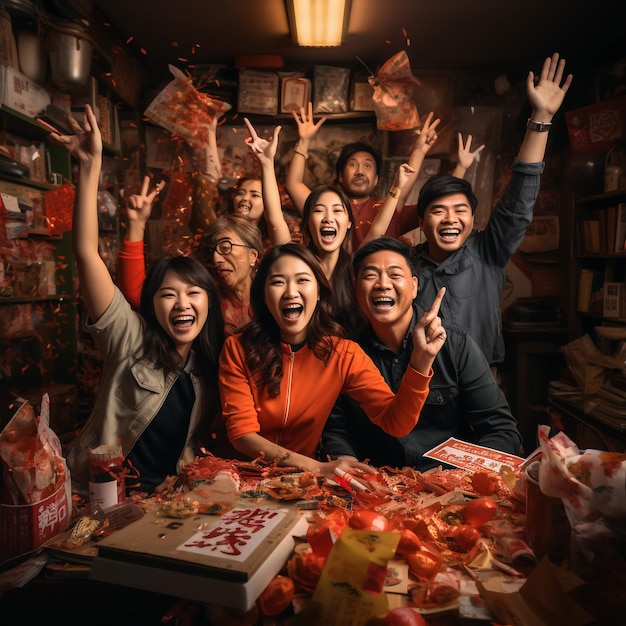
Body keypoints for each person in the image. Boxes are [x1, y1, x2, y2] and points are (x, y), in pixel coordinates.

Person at [50, 105, 225, 497]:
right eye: (168, 294)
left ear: (209, 303)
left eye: (193, 293)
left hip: (161, 503)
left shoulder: (208, 369)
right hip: (97, 499)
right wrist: (90, 167)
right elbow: (86, 253)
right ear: (152, 303)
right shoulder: (129, 338)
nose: (182, 303)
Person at [217, 243, 447, 476]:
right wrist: (318, 467)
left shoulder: (342, 354)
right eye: (278, 282)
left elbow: (396, 423)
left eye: (302, 280)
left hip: (299, 484)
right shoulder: (238, 348)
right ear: (264, 296)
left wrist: (421, 360)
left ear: (318, 292)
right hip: (239, 478)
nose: (290, 292)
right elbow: (242, 435)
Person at [411, 52, 573, 371]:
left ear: (473, 218)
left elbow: (518, 199)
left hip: (478, 390)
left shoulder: (488, 251)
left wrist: (540, 120)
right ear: (421, 221)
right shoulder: (406, 265)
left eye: (460, 210)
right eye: (438, 211)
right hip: (417, 390)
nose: (450, 219)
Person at [320, 237, 522, 468]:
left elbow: (501, 429)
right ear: (356, 290)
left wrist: (463, 478)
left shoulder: (454, 344)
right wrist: (346, 465)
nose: (383, 284)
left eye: (395, 275)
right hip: (377, 489)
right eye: (371, 275)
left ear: (414, 286)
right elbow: (336, 432)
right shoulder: (346, 355)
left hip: (450, 486)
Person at [244, 118, 428, 336]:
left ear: (348, 223)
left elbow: (377, 231)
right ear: (307, 221)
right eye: (319, 210)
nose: (328, 218)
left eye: (337, 211)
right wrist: (266, 164)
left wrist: (397, 186)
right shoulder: (297, 263)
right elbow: (275, 219)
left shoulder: (353, 267)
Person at [285, 104, 440, 249]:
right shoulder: (326, 209)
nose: (360, 171)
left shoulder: (387, 209)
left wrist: (419, 151)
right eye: (352, 165)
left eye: (367, 165)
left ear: (377, 180)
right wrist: (304, 141)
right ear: (340, 177)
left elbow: (402, 191)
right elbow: (293, 184)